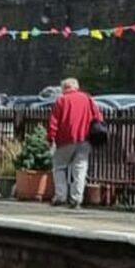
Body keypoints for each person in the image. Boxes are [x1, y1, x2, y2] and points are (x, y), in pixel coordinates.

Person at [48, 76, 103, 208]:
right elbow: (98, 117)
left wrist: (51, 138)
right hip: (85, 140)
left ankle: (61, 196)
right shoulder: (87, 99)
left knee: (59, 166)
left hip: (65, 140)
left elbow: (54, 122)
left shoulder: (61, 100)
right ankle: (77, 199)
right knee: (80, 168)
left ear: (64, 88)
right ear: (76, 87)